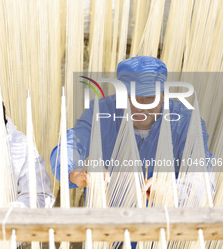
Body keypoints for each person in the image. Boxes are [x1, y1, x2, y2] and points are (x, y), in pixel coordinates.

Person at [50, 56, 214, 199]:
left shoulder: (186, 122)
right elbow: (68, 147)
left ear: (164, 96)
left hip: (167, 225)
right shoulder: (100, 113)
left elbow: (203, 174)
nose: (141, 107)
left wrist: (175, 190)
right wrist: (76, 172)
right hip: (108, 225)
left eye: (149, 98)